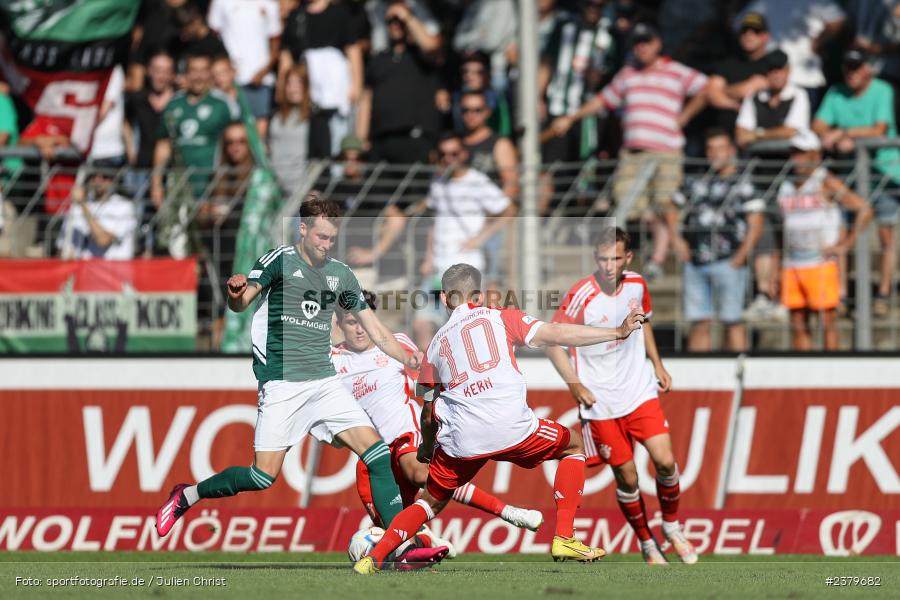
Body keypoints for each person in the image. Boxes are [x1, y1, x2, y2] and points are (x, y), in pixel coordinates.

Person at [155, 198, 443, 564]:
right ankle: (187, 495)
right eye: (321, 236)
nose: (326, 244)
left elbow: (374, 328)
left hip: (323, 382)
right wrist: (235, 293)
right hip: (283, 383)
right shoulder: (279, 260)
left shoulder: (340, 274)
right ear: (302, 229)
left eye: (332, 238)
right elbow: (242, 303)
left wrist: (408, 358)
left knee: (376, 454)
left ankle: (400, 546)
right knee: (262, 476)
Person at [353, 262, 647, 574]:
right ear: (478, 296)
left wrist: (426, 448)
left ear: (444, 299)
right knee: (574, 446)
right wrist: (618, 331)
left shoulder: (434, 346)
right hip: (511, 427)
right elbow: (557, 333)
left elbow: (427, 412)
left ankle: (374, 558)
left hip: (461, 439)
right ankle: (564, 536)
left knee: (429, 503)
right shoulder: (503, 317)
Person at [332, 292, 543, 539]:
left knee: (420, 474)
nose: (359, 330)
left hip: (405, 433)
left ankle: (507, 512)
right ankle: (424, 542)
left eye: (363, 321)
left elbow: (427, 379)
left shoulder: (395, 343)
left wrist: (438, 407)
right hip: (372, 450)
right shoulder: (334, 360)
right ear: (339, 324)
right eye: (351, 323)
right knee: (392, 525)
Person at [544, 227, 698, 565]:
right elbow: (552, 340)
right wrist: (574, 385)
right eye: (603, 259)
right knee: (628, 477)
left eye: (615, 258)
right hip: (600, 402)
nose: (609, 265)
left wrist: (658, 364)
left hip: (639, 390)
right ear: (595, 258)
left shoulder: (637, 284)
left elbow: (646, 322)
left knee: (665, 462)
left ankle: (671, 526)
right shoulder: (581, 294)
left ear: (627, 258)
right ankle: (646, 542)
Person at [551, 23, 708, 281]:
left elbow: (707, 87)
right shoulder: (627, 74)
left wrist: (685, 116)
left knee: (665, 203)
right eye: (637, 43)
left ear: (657, 43)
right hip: (633, 154)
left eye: (647, 41)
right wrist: (572, 117)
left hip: (666, 151)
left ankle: (660, 258)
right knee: (629, 206)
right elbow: (603, 100)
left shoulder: (676, 71)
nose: (641, 47)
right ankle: (657, 249)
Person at [812, 50, 900, 318]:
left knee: (886, 235)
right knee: (842, 234)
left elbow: (879, 129)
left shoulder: (882, 90)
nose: (852, 73)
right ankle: (840, 295)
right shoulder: (836, 92)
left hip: (883, 174)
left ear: (868, 69)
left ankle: (883, 293)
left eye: (857, 67)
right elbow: (818, 125)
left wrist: (843, 133)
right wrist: (831, 135)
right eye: (848, 67)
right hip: (851, 176)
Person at [413, 132, 516, 349]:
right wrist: (428, 258)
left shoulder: (477, 182)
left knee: (465, 331)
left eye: (454, 153)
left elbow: (509, 210)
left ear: (464, 154)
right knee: (422, 324)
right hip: (438, 267)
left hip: (465, 269)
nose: (448, 159)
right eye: (444, 154)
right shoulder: (438, 182)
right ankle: (429, 371)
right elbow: (434, 222)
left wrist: (481, 237)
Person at [669, 130, 765, 352]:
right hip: (695, 261)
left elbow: (756, 222)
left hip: (729, 261)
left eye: (720, 148)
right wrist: (677, 239)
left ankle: (740, 370)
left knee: (733, 320)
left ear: (731, 151)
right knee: (699, 321)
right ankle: (698, 373)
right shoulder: (696, 181)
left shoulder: (744, 183)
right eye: (710, 149)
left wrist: (741, 256)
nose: (715, 154)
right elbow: (671, 207)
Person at [777, 132, 873, 351]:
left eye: (802, 154)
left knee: (827, 320)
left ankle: (831, 366)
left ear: (815, 155)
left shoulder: (825, 181)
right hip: (792, 262)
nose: (797, 159)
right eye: (794, 154)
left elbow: (864, 209)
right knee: (797, 321)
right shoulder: (786, 185)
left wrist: (845, 245)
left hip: (820, 262)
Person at [152, 53, 239, 257]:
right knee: (178, 249)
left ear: (210, 74)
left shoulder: (223, 104)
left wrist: (226, 187)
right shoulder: (174, 104)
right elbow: (164, 144)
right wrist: (156, 184)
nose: (198, 76)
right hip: (179, 190)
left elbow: (237, 142)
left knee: (212, 249)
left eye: (203, 71)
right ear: (185, 74)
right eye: (193, 71)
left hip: (211, 189)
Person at [356, 2, 441, 164]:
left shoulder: (421, 56)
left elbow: (431, 46)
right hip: (380, 140)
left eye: (399, 21)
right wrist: (360, 141)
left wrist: (407, 17)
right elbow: (366, 100)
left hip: (415, 138)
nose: (395, 25)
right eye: (390, 21)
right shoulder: (378, 59)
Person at [280, 0, 364, 158]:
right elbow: (286, 55)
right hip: (306, 96)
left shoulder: (340, 14)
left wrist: (356, 86)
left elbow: (353, 50)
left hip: (336, 96)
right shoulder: (296, 15)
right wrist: (282, 89)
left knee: (337, 143)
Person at [737, 0, 845, 107]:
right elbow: (738, 23)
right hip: (772, 80)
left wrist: (817, 43)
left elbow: (838, 18)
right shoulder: (765, 2)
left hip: (805, 80)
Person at [207, 0, 281, 134]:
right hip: (228, 82)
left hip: (260, 81)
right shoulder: (220, 2)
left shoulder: (270, 4)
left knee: (257, 132)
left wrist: (264, 71)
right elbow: (213, 35)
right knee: (227, 129)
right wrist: (225, 69)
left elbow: (275, 41)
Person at [706, 13, 773, 132]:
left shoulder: (773, 63)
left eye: (756, 31)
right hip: (725, 130)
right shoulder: (727, 63)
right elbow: (712, 93)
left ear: (766, 36)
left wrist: (724, 91)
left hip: (758, 131)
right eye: (744, 31)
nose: (748, 35)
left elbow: (746, 90)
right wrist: (734, 104)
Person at [57, 163, 137, 260]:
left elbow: (103, 240)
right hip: (84, 267)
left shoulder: (124, 206)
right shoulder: (76, 208)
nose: (98, 180)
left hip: (113, 267)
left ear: (113, 180)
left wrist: (82, 204)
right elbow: (63, 248)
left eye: (105, 176)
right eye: (94, 176)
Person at [735, 50, 810, 150]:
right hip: (757, 155)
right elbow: (741, 133)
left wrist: (757, 134)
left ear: (788, 70)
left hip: (789, 155)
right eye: (771, 70)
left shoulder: (799, 95)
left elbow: (791, 131)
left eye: (780, 70)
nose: (776, 75)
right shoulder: (754, 96)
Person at [268, 63, 318, 197]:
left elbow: (322, 155)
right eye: (289, 83)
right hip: (275, 190)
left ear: (306, 86)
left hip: (303, 190)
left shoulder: (316, 118)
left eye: (298, 83)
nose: (293, 88)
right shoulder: (275, 116)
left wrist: (315, 189)